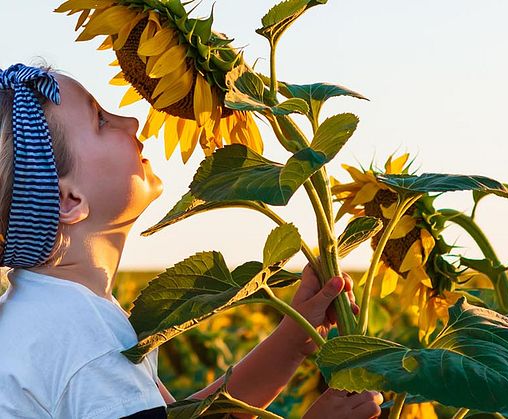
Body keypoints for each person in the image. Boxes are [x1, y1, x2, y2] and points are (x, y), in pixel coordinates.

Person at [0, 63, 382, 419]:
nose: (131, 121)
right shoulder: (85, 341)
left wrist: (293, 339)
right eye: (101, 121)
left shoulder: (53, 312)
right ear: (69, 200)